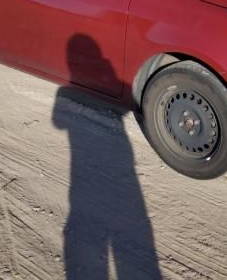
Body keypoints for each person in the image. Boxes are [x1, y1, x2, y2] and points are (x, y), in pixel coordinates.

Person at [52, 34, 162, 279]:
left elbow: (58, 123)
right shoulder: (108, 70)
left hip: (83, 172)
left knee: (84, 226)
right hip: (122, 168)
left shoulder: (64, 91)